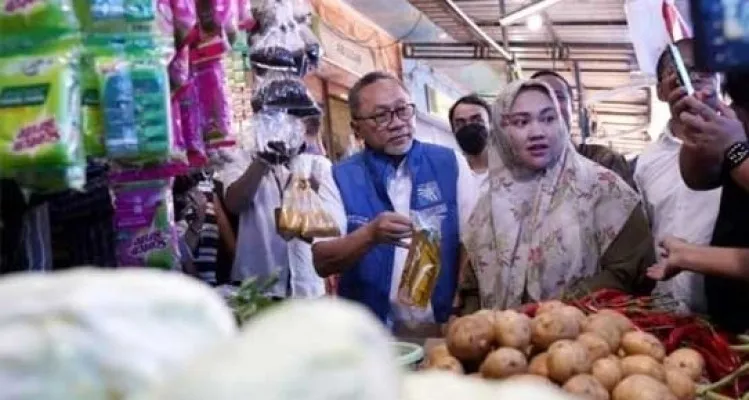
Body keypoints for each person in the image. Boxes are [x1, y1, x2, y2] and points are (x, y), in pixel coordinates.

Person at [459, 79, 655, 313]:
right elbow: (472, 287)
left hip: (586, 340)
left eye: (548, 118)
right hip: (501, 343)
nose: (537, 132)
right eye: (521, 122)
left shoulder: (601, 189)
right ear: (502, 131)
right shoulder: (488, 206)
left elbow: (629, 272)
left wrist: (554, 309)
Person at [313, 71, 476, 334]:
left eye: (403, 110)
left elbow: (472, 243)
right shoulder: (338, 177)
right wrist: (369, 235)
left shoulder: (450, 164)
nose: (397, 122)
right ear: (356, 128)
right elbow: (322, 260)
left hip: (443, 325)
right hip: (369, 333)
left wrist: (460, 306)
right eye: (381, 116)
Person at [650, 69, 749, 332]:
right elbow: (698, 178)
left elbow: (735, 154)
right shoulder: (739, 111)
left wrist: (736, 150)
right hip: (729, 312)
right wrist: (694, 124)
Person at [633, 39, 722, 312]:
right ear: (661, 90)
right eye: (682, 71)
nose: (694, 79)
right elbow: (644, 241)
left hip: (733, 316)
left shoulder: (740, 149)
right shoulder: (646, 164)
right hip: (666, 315)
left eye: (705, 70)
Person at [221, 117, 332, 299]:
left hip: (307, 287)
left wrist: (316, 191)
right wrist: (263, 160)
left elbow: (331, 227)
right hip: (258, 286)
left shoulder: (315, 164)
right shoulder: (241, 157)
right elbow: (234, 203)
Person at [530, 70, 636, 188]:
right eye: (539, 98)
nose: (550, 105)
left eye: (558, 97)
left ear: (573, 107)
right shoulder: (517, 171)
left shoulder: (605, 161)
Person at [449, 94, 491, 194]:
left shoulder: (514, 170)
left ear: (491, 124)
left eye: (477, 120)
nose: (469, 126)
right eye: (460, 123)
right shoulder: (449, 175)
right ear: (453, 130)